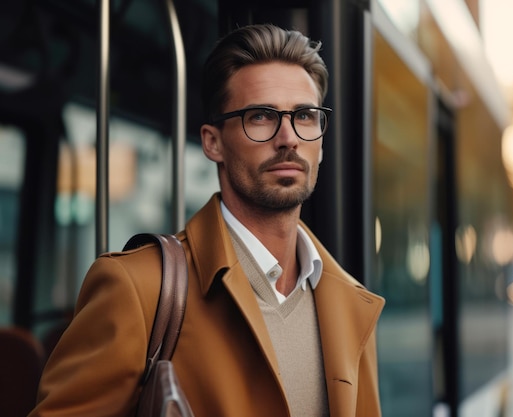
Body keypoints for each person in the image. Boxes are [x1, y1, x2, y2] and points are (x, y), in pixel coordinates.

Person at [29, 23, 385, 417]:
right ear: (212, 142)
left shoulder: (350, 303)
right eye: (262, 116)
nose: (289, 137)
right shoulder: (138, 288)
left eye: (305, 116)